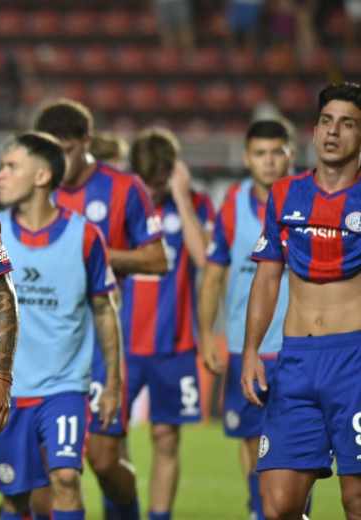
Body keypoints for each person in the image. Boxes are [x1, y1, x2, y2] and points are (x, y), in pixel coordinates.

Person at [36, 99, 167, 520]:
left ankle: (126, 511)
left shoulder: (124, 188)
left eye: (66, 150)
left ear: (86, 142)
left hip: (98, 339)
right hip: (41, 343)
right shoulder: (35, 186)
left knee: (105, 461)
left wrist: (97, 255)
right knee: (45, 475)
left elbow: (157, 259)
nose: (58, 161)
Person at [0, 132, 122, 520]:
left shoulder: (85, 236)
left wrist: (112, 383)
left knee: (66, 477)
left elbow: (104, 310)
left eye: (12, 167)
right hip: (6, 390)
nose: (1, 174)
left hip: (64, 387)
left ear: (42, 175)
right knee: (15, 498)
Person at [243, 82, 361, 519]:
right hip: (295, 362)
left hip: (354, 361)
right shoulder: (284, 194)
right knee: (278, 506)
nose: (334, 132)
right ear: (313, 131)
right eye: (327, 122)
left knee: (356, 501)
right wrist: (252, 350)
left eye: (348, 124)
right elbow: (268, 276)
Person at [197, 119, 292, 520]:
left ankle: (290, 509)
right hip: (244, 345)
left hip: (296, 344)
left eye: (276, 152)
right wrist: (206, 336)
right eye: (260, 153)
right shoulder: (232, 206)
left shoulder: (308, 200)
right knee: (252, 441)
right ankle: (258, 510)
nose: (269, 162)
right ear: (246, 158)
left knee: (294, 445)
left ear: (290, 154)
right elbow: (214, 274)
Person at [126, 129, 215, 520]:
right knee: (107, 440)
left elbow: (204, 261)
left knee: (166, 437)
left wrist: (181, 195)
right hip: (123, 344)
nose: (152, 190)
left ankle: (159, 516)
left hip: (175, 345)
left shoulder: (195, 205)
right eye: (146, 182)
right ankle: (121, 510)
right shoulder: (124, 206)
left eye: (160, 182)